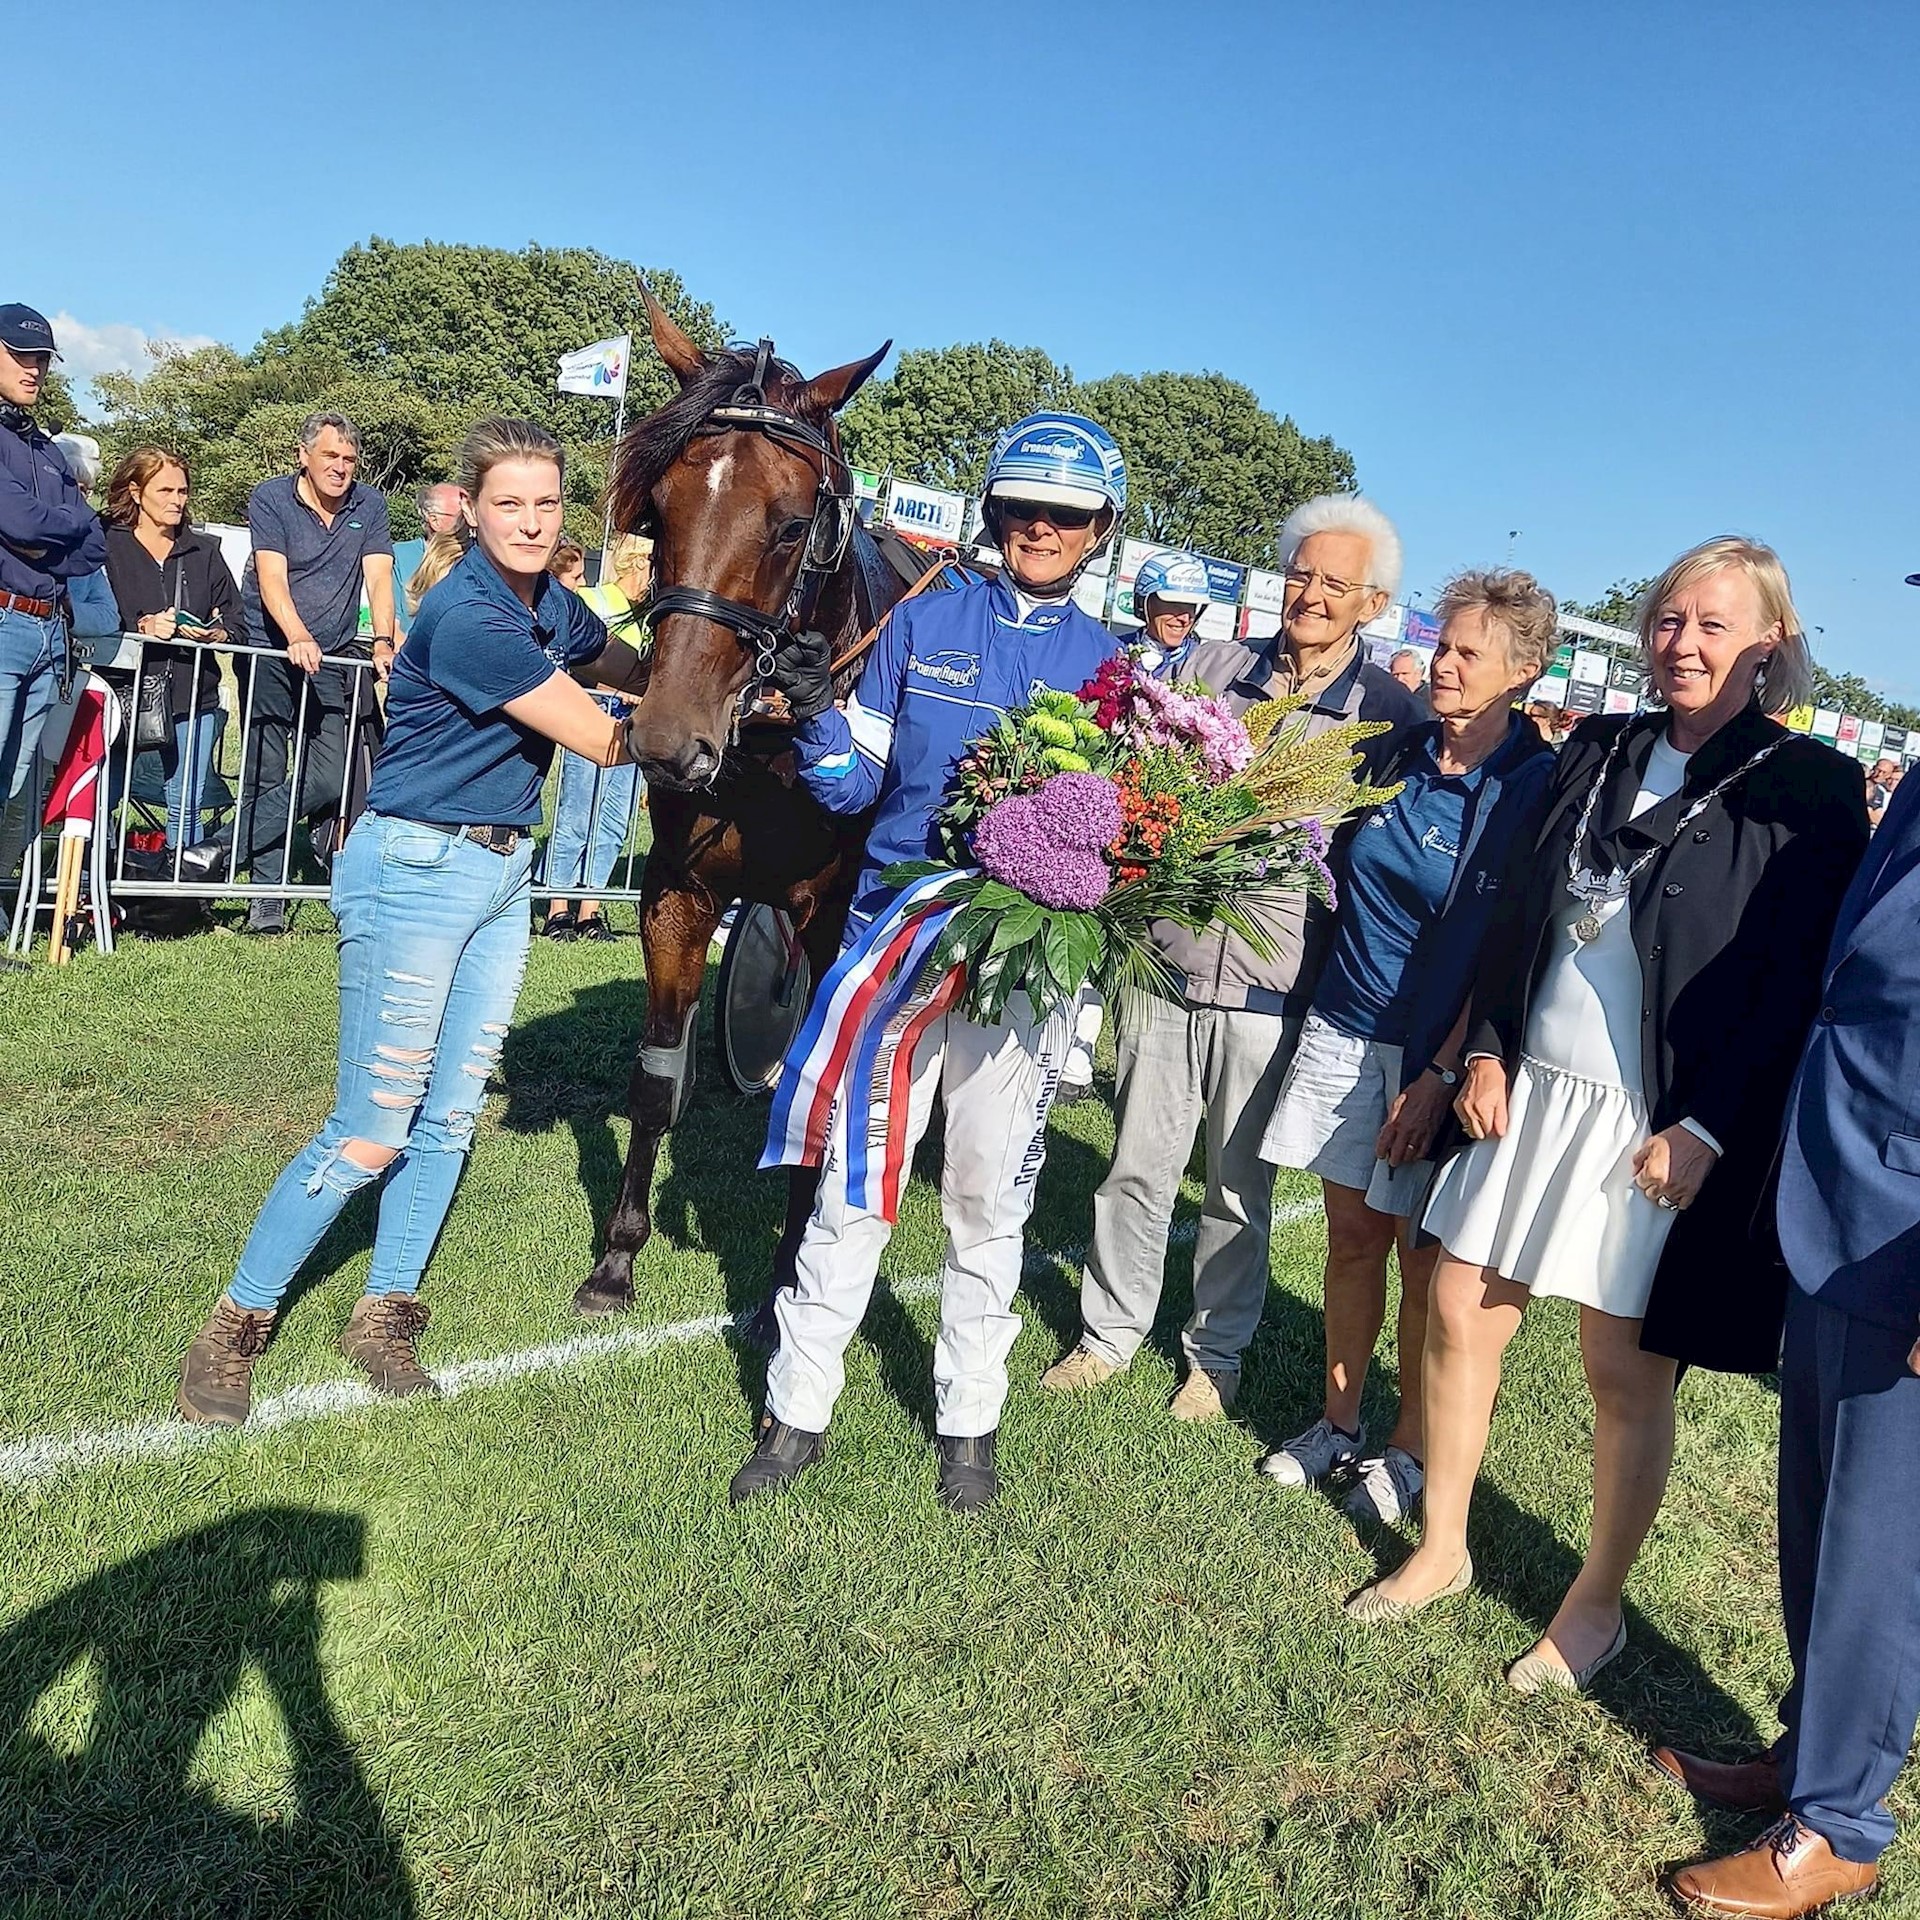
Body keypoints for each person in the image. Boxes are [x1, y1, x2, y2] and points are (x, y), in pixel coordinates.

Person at [1347, 538, 1870, 1694]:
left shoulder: (1811, 789)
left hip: (1658, 1123)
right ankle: (1440, 1549)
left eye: (1714, 626)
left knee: (1622, 1373)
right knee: (1454, 1307)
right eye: (1669, 620)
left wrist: (1712, 1132)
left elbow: (1793, 988)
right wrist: (1485, 1047)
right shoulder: (1593, 746)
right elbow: (1517, 911)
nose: (1682, 644)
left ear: (1767, 645)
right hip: (1527, 1093)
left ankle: (1594, 1608)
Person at [175, 418, 653, 1427]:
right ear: (472, 513)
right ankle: (234, 1323)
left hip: (496, 876)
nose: (529, 521)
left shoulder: (549, 605)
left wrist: (700, 662)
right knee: (371, 1127)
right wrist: (716, 713)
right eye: (508, 503)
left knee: (448, 1115)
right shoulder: (472, 616)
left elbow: (623, 664)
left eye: (546, 503)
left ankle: (382, 1313)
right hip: (415, 872)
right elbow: (607, 740)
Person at [733, 410, 1130, 1511]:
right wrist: (817, 716)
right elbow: (855, 784)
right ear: (992, 513)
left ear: (1101, 529)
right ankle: (798, 1409)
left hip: (1022, 972)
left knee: (987, 1199)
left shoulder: (1112, 670)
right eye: (1022, 507)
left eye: (1065, 514)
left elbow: (1122, 836)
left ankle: (969, 1421)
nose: (1040, 527)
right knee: (855, 1192)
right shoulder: (924, 622)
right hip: (894, 941)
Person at [1041, 495, 1424, 1421]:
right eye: (1301, 574)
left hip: (1275, 990)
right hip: (1166, 969)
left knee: (1238, 1188)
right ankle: (1108, 1334)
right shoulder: (1211, 668)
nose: (1312, 595)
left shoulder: (1389, 716)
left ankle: (1216, 1357)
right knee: (1135, 1165)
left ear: (1372, 606)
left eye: (1336, 584)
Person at [1655, 766, 1920, 1917]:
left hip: (1905, 1235)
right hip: (1842, 1206)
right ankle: (1813, 1748)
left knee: (1881, 1556)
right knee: (1818, 1519)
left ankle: (1843, 1824)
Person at [1257, 570, 1559, 1522]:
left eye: (1471, 652)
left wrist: (1442, 1069)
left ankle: (1410, 1448)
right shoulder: (1393, 755)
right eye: (1444, 644)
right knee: (1351, 1239)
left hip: (1443, 1053)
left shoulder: (1539, 789)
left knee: (1428, 1265)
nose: (1445, 663)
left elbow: (1515, 943)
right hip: (1345, 1025)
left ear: (1525, 671)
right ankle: (1337, 1424)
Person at [179, 411, 398, 933]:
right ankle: (266, 899)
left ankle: (221, 845)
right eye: (330, 456)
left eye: (349, 459)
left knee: (327, 775)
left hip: (335, 654)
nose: (341, 468)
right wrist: (297, 635)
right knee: (264, 771)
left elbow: (380, 576)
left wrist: (386, 639)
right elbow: (272, 578)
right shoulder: (271, 498)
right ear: (304, 456)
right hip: (270, 650)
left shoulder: (370, 504)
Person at [1056, 547, 1217, 1103]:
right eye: (1170, 606)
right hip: (1103, 801)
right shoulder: (1113, 653)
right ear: (1143, 603)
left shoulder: (1205, 669)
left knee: (1124, 933)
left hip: (1160, 816)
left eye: (1192, 609)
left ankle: (1085, 1046)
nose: (1182, 618)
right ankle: (1062, 1037)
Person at [0, 305, 107, 894]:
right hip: (3, 620)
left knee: (15, 780)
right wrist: (50, 529)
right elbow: (16, 519)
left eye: (42, 357)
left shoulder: (44, 447)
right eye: (21, 354)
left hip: (46, 628)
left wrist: (46, 540)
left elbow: (91, 540)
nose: (35, 367)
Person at [100, 448, 243, 849]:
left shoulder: (205, 550)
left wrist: (215, 634)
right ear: (135, 491)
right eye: (165, 490)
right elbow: (87, 612)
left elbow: (237, 619)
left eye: (182, 491)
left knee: (185, 802)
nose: (177, 500)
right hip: (119, 692)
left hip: (192, 693)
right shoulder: (106, 545)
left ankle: (179, 901)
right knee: (102, 797)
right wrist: (140, 626)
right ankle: (94, 886)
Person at [540, 533, 650, 941]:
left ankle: (591, 909)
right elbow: (574, 660)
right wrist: (614, 688)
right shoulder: (594, 601)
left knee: (613, 821)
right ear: (638, 563)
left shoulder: (646, 616)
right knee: (576, 814)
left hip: (629, 725)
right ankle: (558, 907)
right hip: (589, 719)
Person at [49, 435, 121, 642]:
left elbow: (109, 616)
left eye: (85, 490)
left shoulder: (85, 549)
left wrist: (68, 610)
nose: (78, 498)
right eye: (72, 487)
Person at [388, 482, 465, 632]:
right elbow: (392, 624)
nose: (470, 521)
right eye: (462, 516)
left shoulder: (476, 559)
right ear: (434, 520)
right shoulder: (399, 555)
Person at [1389, 646, 1432, 713]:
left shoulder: (1431, 701)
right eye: (1395, 674)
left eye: (1404, 673)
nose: (1399, 679)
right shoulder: (1386, 696)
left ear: (1418, 674)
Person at [1865, 754, 1899, 830]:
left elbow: (1877, 815)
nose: (1879, 774)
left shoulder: (1882, 791)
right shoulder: (1860, 782)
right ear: (1874, 768)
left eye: (1884, 772)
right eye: (1878, 770)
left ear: (1888, 775)